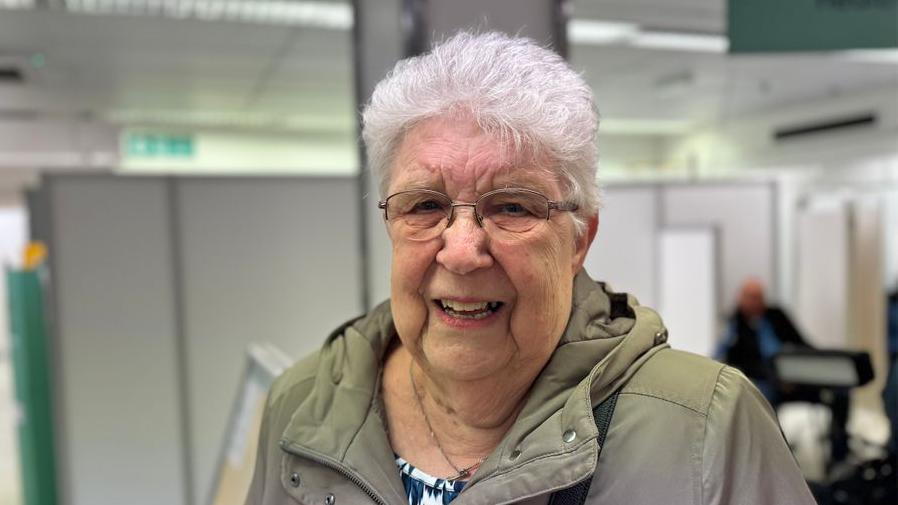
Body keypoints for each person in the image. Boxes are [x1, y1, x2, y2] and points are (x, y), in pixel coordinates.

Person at [246, 32, 815, 505]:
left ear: (578, 240)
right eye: (425, 206)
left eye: (512, 206)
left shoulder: (704, 428)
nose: (462, 251)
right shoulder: (303, 404)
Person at [717, 278, 849, 465]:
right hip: (766, 382)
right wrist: (775, 379)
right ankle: (775, 459)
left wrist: (820, 365)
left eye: (759, 297)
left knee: (840, 392)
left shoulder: (776, 316)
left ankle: (840, 454)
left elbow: (802, 344)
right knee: (762, 398)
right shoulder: (735, 326)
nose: (755, 302)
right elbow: (735, 362)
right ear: (740, 299)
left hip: (796, 377)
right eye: (750, 297)